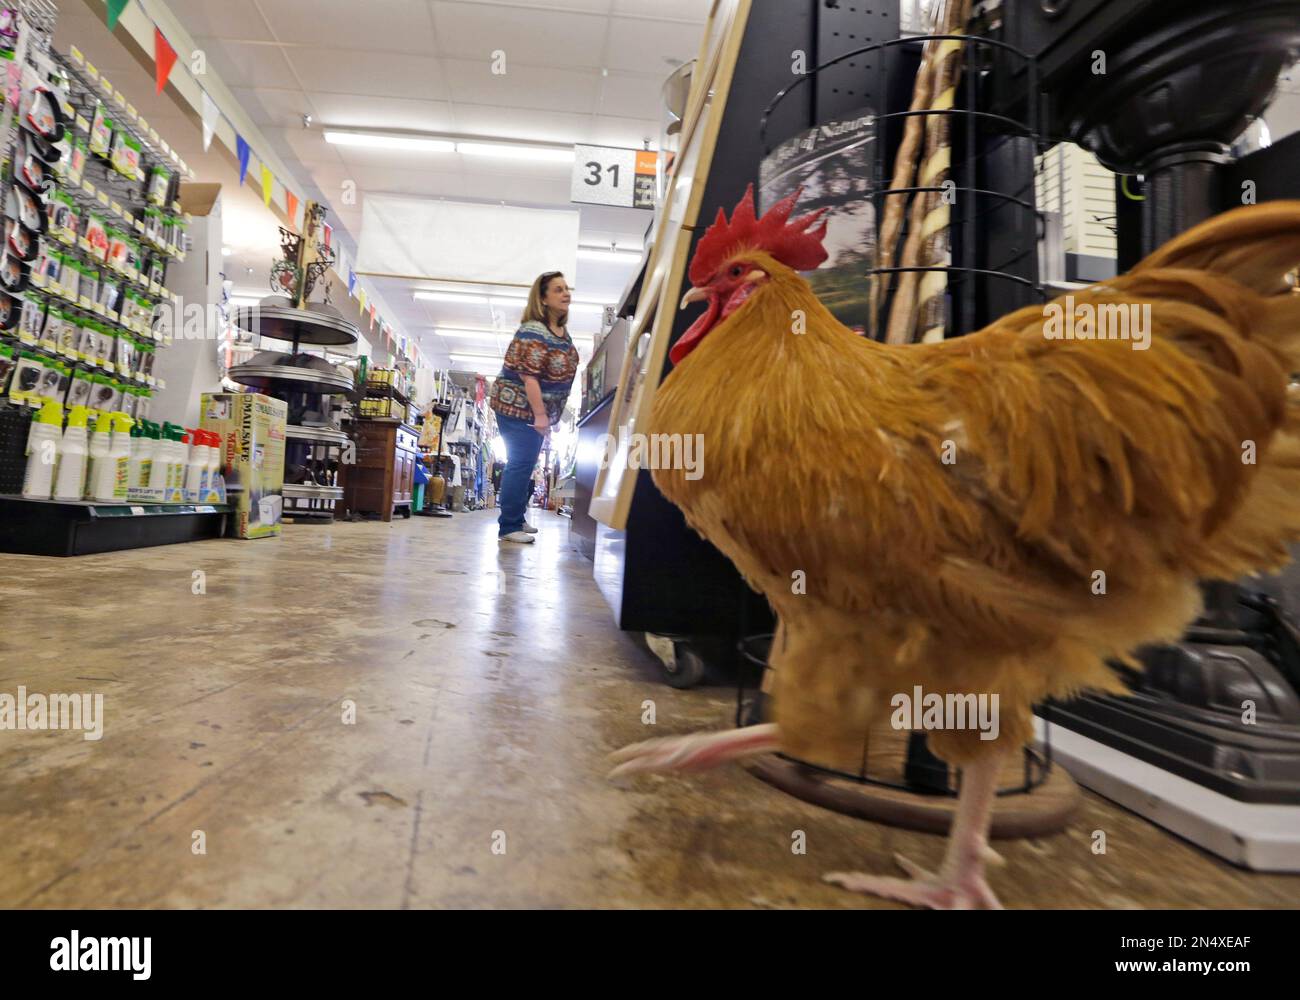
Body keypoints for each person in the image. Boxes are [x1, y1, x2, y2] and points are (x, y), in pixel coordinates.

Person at [488, 270, 580, 543]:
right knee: (520, 463)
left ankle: (515, 517)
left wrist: (553, 415)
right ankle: (509, 527)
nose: (566, 293)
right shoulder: (533, 331)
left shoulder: (561, 332)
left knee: (525, 464)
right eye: (558, 289)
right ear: (543, 298)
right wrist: (541, 415)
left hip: (534, 410)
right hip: (516, 407)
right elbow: (529, 376)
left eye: (566, 288)